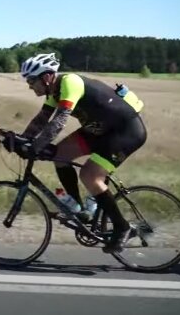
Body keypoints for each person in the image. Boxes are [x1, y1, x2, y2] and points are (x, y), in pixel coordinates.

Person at [17, 53, 146, 253]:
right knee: (60, 155)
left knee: (89, 175)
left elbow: (59, 121)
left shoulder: (70, 83)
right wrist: (21, 139)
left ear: (46, 77)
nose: (29, 85)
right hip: (99, 129)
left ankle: (122, 227)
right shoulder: (53, 91)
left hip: (124, 131)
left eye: (31, 81)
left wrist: (36, 147)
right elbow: (41, 119)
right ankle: (78, 209)